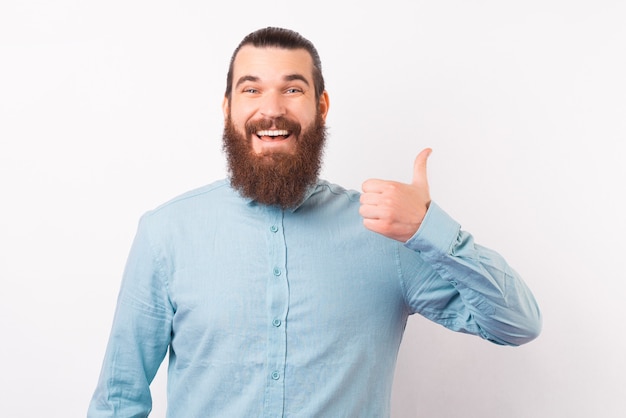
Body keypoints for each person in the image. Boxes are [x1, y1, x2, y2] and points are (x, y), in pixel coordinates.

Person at [87, 27, 541, 417]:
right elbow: (118, 400)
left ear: (321, 106)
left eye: (292, 88)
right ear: (227, 107)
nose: (272, 108)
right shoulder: (166, 233)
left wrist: (430, 230)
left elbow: (517, 324)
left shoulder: (388, 233)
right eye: (251, 89)